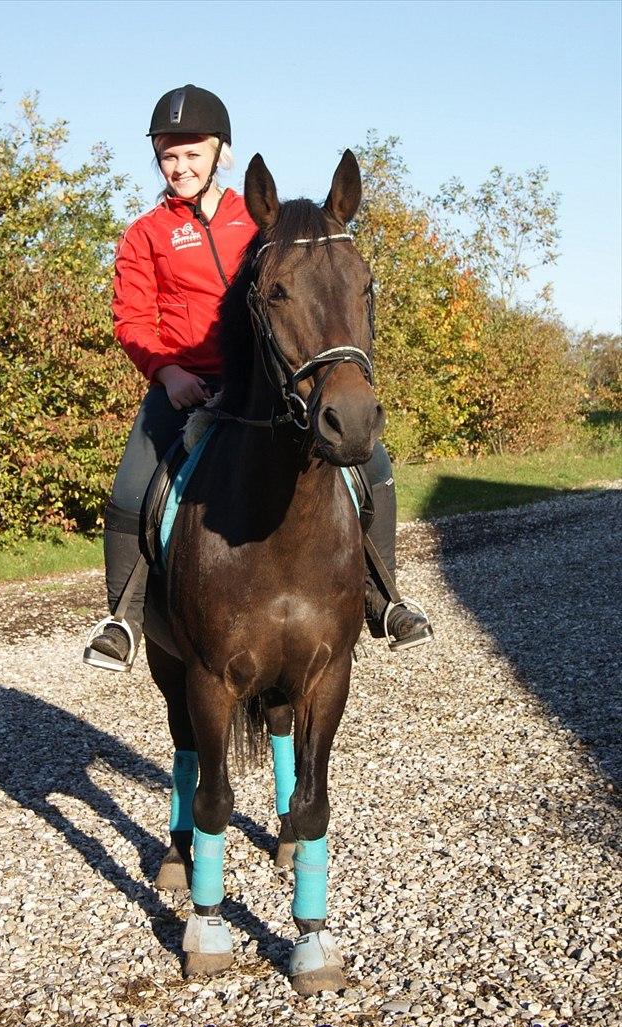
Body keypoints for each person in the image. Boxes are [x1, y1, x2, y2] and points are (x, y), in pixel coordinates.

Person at [83, 84, 433, 672]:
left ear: (221, 153)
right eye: (168, 155)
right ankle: (123, 617)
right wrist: (167, 374)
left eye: (193, 153)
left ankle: (385, 597)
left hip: (264, 386)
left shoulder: (262, 221)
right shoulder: (145, 234)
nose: (180, 166)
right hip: (184, 383)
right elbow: (133, 318)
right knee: (129, 488)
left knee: (373, 463)